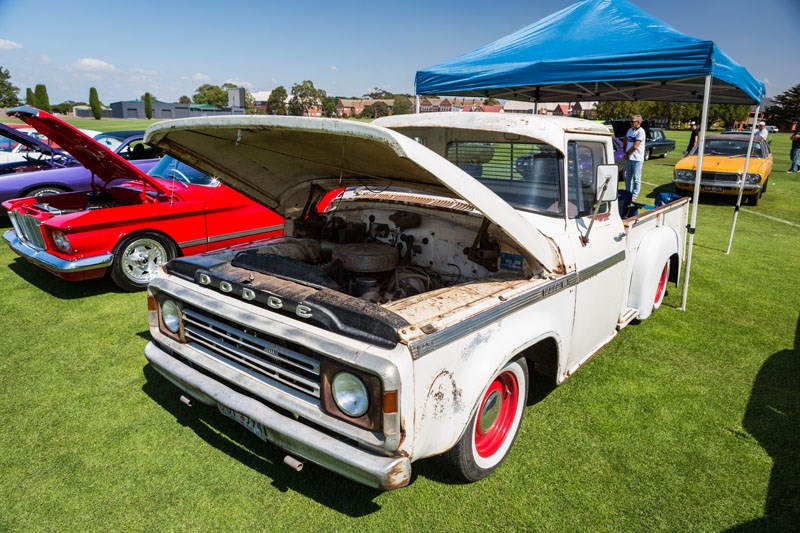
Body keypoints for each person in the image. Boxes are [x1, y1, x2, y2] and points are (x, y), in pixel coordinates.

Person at [623, 114, 646, 201]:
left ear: (638, 122)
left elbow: (636, 146)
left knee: (637, 178)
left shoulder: (641, 132)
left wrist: (627, 153)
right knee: (628, 177)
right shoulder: (629, 130)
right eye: (630, 121)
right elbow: (625, 139)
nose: (631, 123)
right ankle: (627, 193)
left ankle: (634, 195)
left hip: (637, 158)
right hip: (629, 158)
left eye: (632, 122)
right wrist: (624, 150)